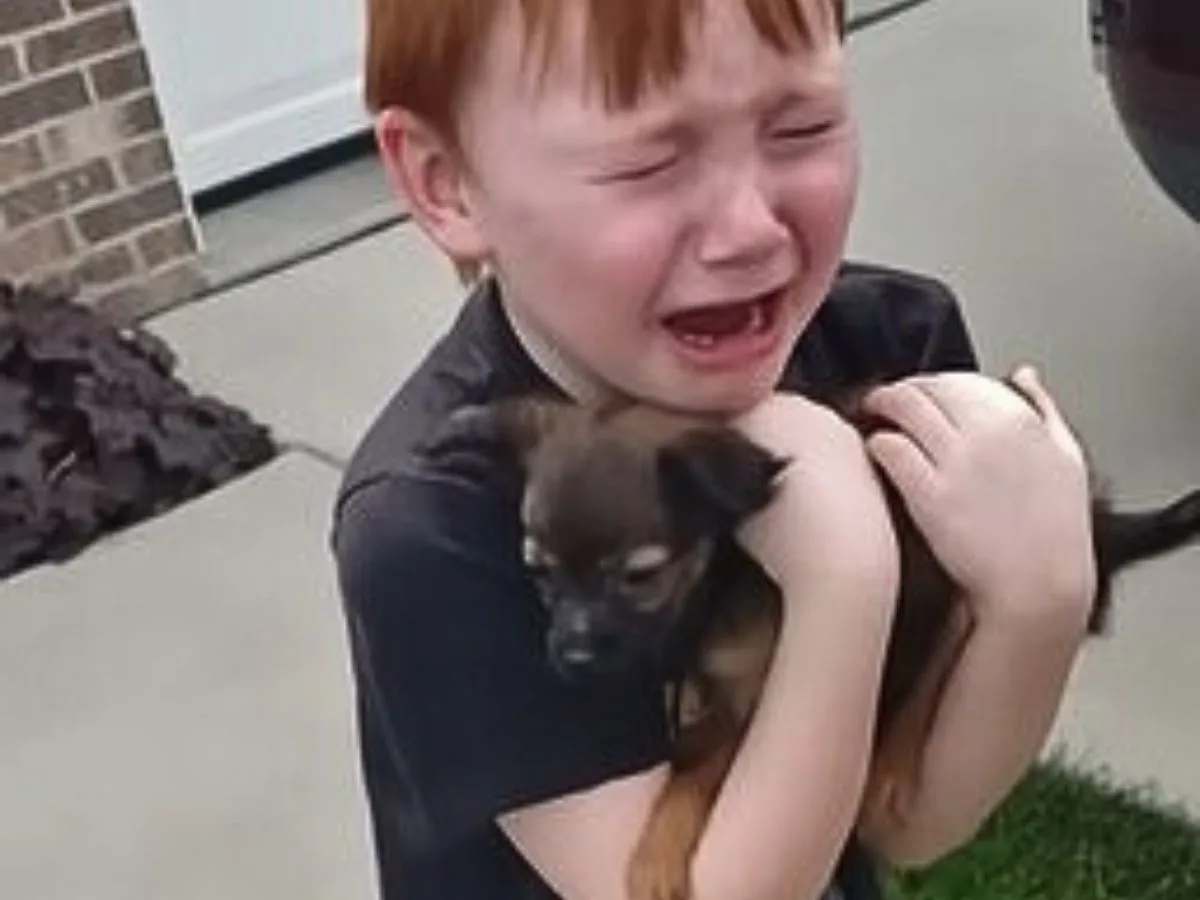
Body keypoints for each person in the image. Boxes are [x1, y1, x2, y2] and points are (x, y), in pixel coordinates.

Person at [330, 1, 1098, 898]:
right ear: (446, 184)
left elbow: (907, 816)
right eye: (647, 163)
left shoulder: (886, 356)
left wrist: (1041, 604)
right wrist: (844, 578)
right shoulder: (442, 518)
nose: (748, 229)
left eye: (802, 125)